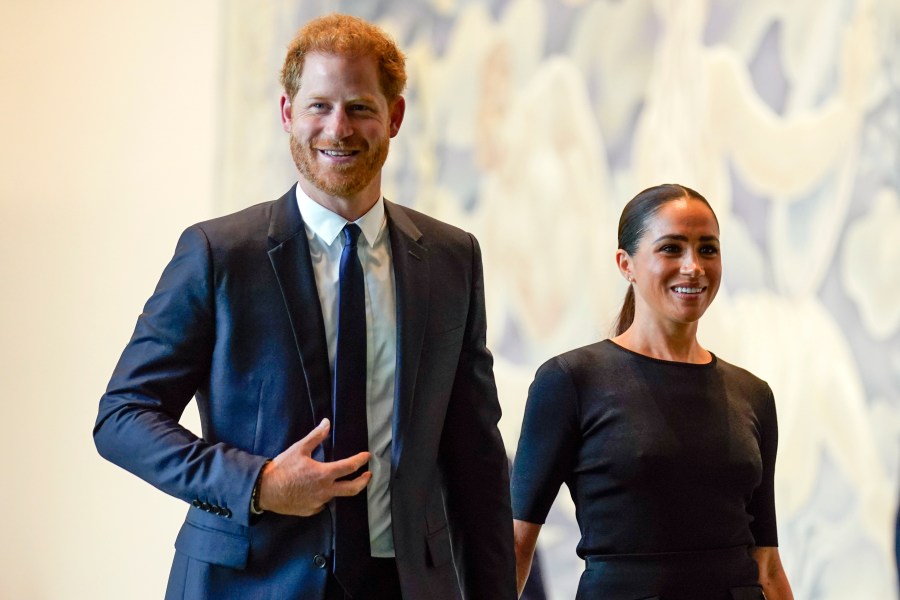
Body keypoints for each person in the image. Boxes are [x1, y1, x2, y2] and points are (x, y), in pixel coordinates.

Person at [93, 13, 515, 600]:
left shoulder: (452, 259)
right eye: (319, 106)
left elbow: (478, 460)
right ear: (287, 112)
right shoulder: (219, 253)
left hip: (405, 585)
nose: (338, 128)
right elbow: (123, 417)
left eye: (360, 107)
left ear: (393, 117)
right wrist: (259, 483)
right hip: (246, 583)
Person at [511, 184, 793, 600]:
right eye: (671, 249)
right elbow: (517, 544)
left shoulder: (753, 394)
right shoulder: (570, 380)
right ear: (626, 264)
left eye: (708, 249)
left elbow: (766, 562)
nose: (693, 266)